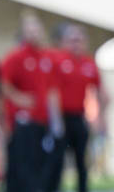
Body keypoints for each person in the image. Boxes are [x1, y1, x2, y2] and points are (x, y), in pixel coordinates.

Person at [0, 11, 56, 192]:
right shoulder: (16, 56)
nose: (34, 34)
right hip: (23, 123)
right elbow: (2, 83)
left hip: (42, 122)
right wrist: (19, 98)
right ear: (24, 33)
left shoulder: (47, 57)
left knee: (40, 167)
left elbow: (52, 90)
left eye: (36, 30)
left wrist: (55, 121)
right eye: (29, 31)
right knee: (22, 170)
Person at [46, 24, 107, 192]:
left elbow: (101, 92)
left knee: (82, 161)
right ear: (65, 42)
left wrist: (100, 118)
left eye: (79, 40)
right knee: (57, 161)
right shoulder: (59, 60)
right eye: (72, 40)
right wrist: (56, 121)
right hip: (62, 116)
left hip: (79, 117)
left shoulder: (88, 63)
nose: (76, 44)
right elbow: (52, 92)